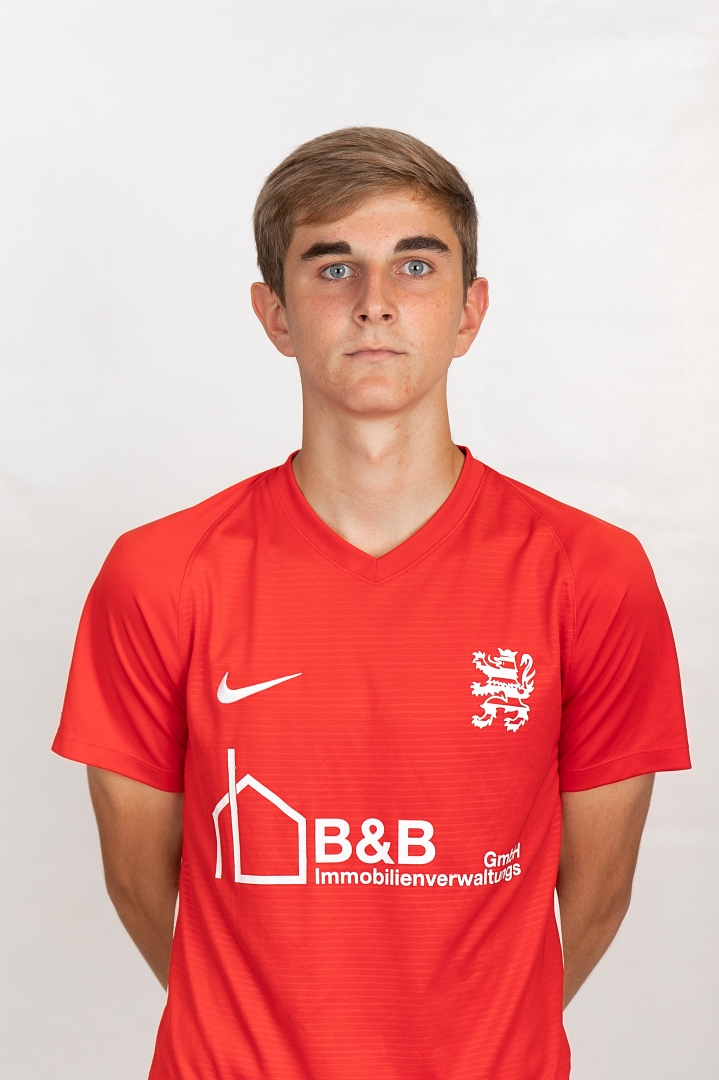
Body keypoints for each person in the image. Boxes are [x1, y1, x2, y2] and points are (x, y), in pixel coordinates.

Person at [52, 127, 690, 1079]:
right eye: (334, 266)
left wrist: (478, 1038)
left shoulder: (592, 574)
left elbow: (596, 896)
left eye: (416, 266)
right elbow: (140, 884)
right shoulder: (159, 574)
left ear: (469, 312)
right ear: (275, 315)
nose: (375, 302)